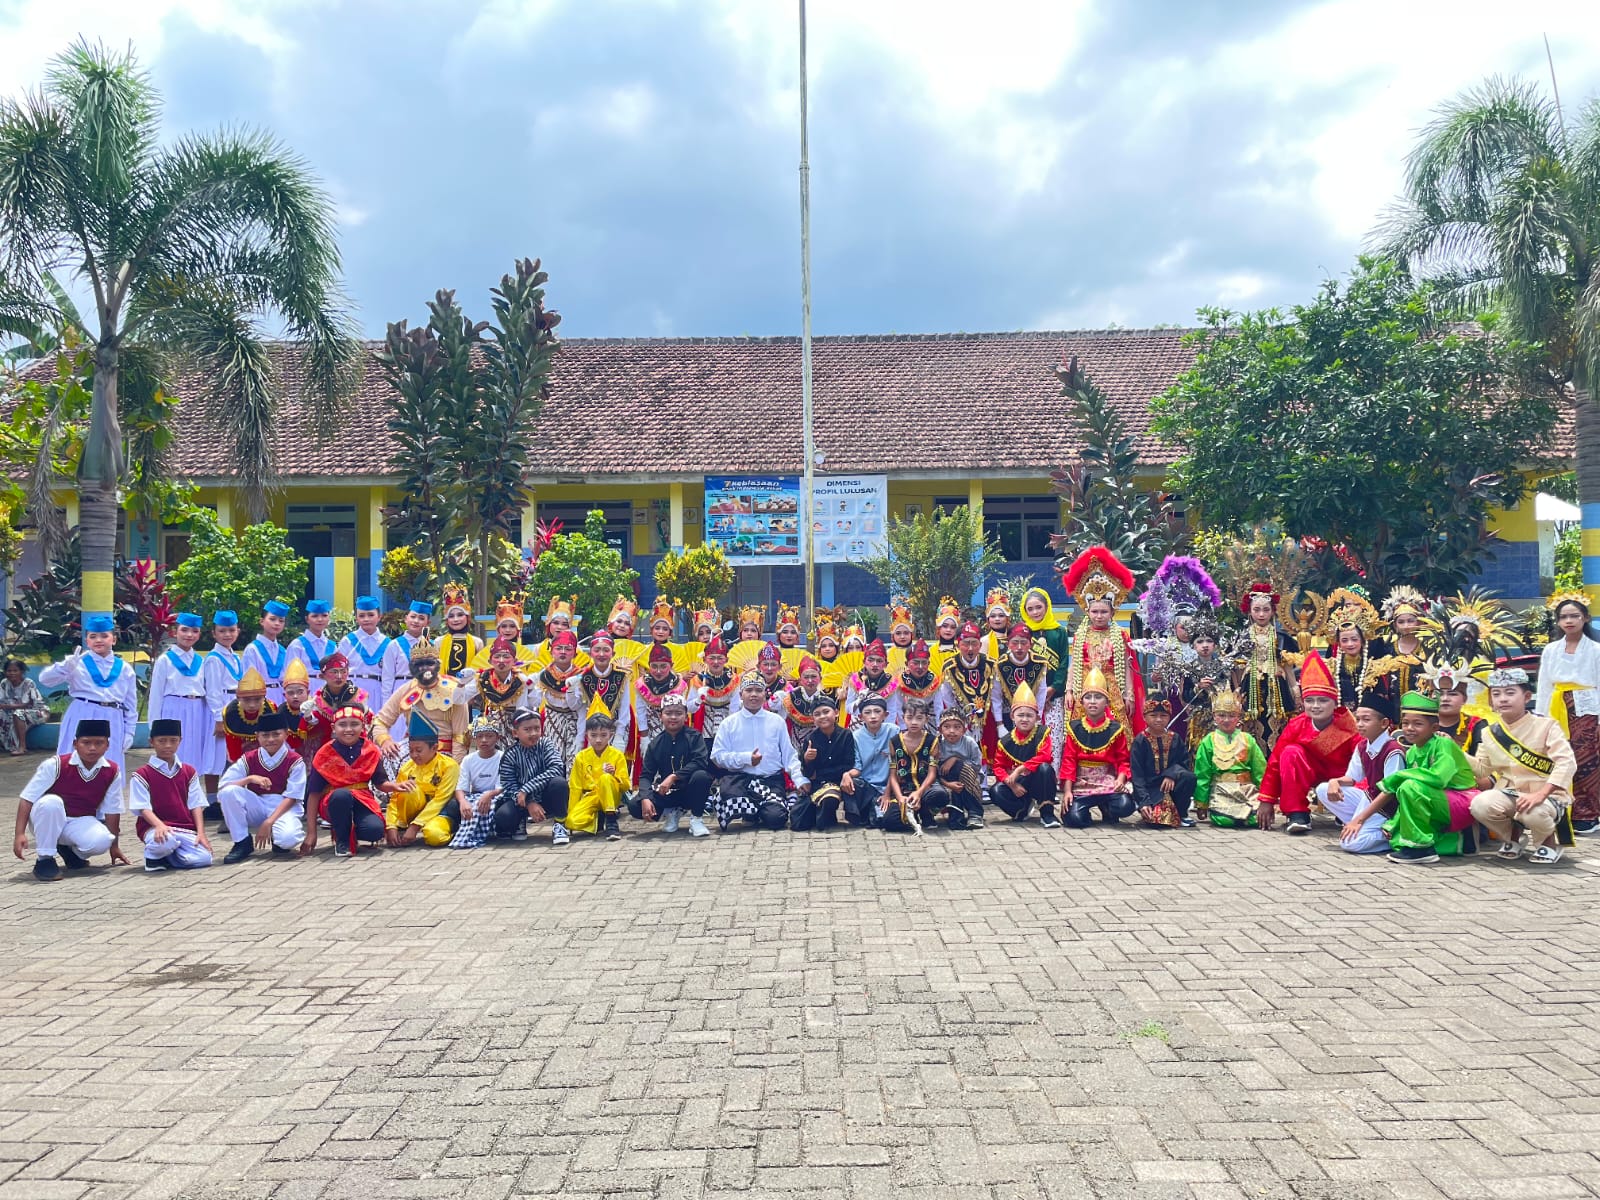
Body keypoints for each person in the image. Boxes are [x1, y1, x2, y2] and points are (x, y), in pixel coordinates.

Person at [1471, 667, 1576, 863]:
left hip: (1547, 795)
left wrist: (1541, 794)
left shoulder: (1547, 726)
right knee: (1480, 804)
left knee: (1532, 811)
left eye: (1510, 693)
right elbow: (1482, 769)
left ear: (1527, 697)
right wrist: (1453, 750)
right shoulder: (1489, 733)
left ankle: (1548, 843)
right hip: (1510, 793)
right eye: (1496, 694)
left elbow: (1566, 762)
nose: (1503, 699)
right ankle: (1513, 838)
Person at [1369, 692, 1480, 864]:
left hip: (1463, 800)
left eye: (1418, 724)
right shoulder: (1412, 752)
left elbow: (1439, 778)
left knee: (1409, 786)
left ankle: (1422, 850)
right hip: (1438, 800)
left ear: (1434, 728)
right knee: (1397, 841)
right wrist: (1393, 823)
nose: (1409, 728)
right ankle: (1460, 841)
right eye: (1405, 723)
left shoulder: (1443, 744)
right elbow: (1409, 797)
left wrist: (1398, 776)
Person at [13, 718, 128, 880]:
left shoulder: (112, 770)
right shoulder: (56, 764)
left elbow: (112, 810)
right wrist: (19, 834)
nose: (92, 748)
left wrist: (114, 846)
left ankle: (71, 854)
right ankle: (45, 859)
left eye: (99, 743)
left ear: (107, 745)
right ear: (75, 744)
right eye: (86, 742)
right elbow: (27, 798)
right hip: (46, 819)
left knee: (103, 840)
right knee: (51, 802)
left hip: (79, 820)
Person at [1257, 653, 1358, 834]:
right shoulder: (1296, 725)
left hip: (1342, 780)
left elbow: (1364, 765)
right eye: (1310, 701)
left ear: (1335, 703)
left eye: (1323, 700)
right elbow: (1275, 763)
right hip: (1309, 773)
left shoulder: (1349, 725)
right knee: (1290, 752)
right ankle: (1297, 813)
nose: (1316, 706)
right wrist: (1267, 800)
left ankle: (1345, 809)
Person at [39, 615, 137, 780]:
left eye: (104, 636)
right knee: (76, 762)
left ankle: (106, 797)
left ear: (114, 639)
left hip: (113, 717)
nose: (98, 640)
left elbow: (131, 704)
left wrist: (130, 732)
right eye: (93, 636)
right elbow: (45, 680)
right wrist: (64, 667)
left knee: (108, 765)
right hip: (82, 713)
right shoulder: (77, 663)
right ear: (87, 640)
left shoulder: (125, 669)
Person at [1535, 593, 1600, 835]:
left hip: (1587, 709)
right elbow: (1544, 684)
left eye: (1574, 616)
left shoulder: (1595, 650)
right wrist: (1540, 716)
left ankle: (1588, 814)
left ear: (1585, 618)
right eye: (1564, 617)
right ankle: (1561, 807)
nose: (1569, 621)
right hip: (1557, 706)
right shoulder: (1551, 649)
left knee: (1587, 762)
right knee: (1559, 757)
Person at [1062, 546, 1146, 735]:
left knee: (1117, 732)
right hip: (1084, 689)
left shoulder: (1120, 635)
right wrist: (1069, 691)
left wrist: (1129, 695)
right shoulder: (1081, 634)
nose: (1099, 616)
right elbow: (1073, 664)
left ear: (1112, 612)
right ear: (1088, 611)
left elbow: (1127, 666)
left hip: (1113, 689)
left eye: (1103, 612)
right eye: (1095, 611)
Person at [1314, 694, 1407, 855]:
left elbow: (1389, 792)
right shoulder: (1363, 746)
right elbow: (1352, 779)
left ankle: (1393, 833)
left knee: (1350, 844)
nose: (1360, 724)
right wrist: (1335, 781)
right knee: (1323, 788)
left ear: (1384, 723)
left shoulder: (1393, 751)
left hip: (1388, 808)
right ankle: (1360, 827)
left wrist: (1359, 819)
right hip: (1369, 797)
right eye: (1358, 719)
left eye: (1366, 720)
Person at [709, 674, 803, 832]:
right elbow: (717, 756)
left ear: (765, 694)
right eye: (749, 690)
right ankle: (752, 812)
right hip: (740, 781)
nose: (754, 694)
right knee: (736, 806)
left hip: (770, 781)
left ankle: (761, 810)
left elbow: (789, 756)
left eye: (758, 690)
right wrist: (746, 758)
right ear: (741, 695)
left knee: (776, 819)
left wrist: (800, 780)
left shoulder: (776, 721)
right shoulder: (729, 723)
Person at [217, 710, 306, 864]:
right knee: (228, 792)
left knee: (288, 839)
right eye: (265, 735)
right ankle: (242, 841)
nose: (270, 739)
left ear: (286, 734)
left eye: (276, 734)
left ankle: (277, 839)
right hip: (256, 804)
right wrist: (249, 779)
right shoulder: (249, 758)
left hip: (283, 805)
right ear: (257, 736)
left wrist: (269, 822)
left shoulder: (295, 760)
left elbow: (292, 797)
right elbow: (224, 785)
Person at [302, 707, 388, 857]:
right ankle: (343, 841)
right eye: (342, 725)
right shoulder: (324, 754)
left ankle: (350, 829)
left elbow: (380, 783)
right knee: (342, 795)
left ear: (363, 726)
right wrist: (311, 833)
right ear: (333, 727)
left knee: (374, 831)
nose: (348, 729)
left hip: (362, 799)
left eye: (354, 724)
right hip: (333, 802)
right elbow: (314, 794)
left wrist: (397, 786)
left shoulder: (371, 750)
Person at [130, 718, 212, 871]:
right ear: (151, 742)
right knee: (166, 840)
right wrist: (159, 825)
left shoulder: (189, 771)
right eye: (161, 741)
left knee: (205, 858)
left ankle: (168, 857)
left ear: (180, 741)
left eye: (173, 740)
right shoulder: (142, 774)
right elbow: (143, 808)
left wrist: (201, 833)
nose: (168, 745)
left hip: (184, 828)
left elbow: (196, 805)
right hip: (154, 828)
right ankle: (152, 857)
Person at [1059, 666, 1134, 829]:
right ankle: (1085, 812)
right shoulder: (1075, 728)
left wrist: (1120, 780)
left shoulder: (1115, 729)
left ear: (1107, 702)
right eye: (1088, 697)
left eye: (1098, 697)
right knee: (1073, 819)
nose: (1093, 701)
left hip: (1107, 782)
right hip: (1081, 783)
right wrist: (1067, 791)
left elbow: (1123, 760)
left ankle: (1107, 807)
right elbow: (1069, 761)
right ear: (1082, 702)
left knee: (1126, 806)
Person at [372, 640, 471, 761]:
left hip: (444, 754)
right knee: (387, 759)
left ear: (438, 664)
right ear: (411, 667)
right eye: (418, 664)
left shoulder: (454, 690)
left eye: (429, 664)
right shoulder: (406, 690)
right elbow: (380, 721)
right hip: (412, 752)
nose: (424, 668)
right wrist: (385, 741)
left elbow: (460, 736)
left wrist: (455, 766)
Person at [629, 692, 712, 836]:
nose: (673, 717)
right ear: (661, 716)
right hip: (667, 793)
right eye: (668, 713)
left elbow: (700, 762)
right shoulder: (655, 744)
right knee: (634, 805)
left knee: (702, 776)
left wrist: (674, 776)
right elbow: (646, 776)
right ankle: (672, 812)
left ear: (685, 716)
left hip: (690, 791)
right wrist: (645, 797)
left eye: (678, 713)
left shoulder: (695, 737)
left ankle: (696, 819)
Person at [1192, 687, 1267, 828]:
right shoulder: (1208, 741)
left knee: (1256, 818)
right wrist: (1201, 804)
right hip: (1221, 790)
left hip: (1246, 790)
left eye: (1232, 715)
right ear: (1214, 716)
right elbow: (1202, 774)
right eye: (1221, 715)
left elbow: (1260, 770)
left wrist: (1266, 798)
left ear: (1239, 717)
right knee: (1224, 820)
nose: (1226, 720)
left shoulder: (1248, 739)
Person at [145, 611, 210, 773]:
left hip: (197, 709)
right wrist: (154, 725)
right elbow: (156, 694)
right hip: (173, 708)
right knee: (172, 751)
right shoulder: (165, 660)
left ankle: (191, 784)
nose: (189, 635)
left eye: (194, 631)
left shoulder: (201, 661)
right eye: (184, 630)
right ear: (175, 632)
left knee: (194, 751)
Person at [385, 710, 462, 848]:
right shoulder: (407, 768)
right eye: (411, 750)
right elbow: (395, 800)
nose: (414, 755)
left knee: (434, 836)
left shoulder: (449, 766)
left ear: (435, 748)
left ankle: (453, 830)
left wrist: (415, 827)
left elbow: (440, 800)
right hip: (414, 815)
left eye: (419, 750)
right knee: (408, 789)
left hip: (441, 812)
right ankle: (403, 827)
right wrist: (391, 826)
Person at [1236, 583, 1298, 745]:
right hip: (1250, 686)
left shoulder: (1282, 638)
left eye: (1266, 610)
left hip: (1277, 687)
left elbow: (1288, 668)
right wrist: (1236, 691)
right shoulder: (1242, 638)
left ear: (1272, 611)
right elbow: (1236, 669)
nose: (1261, 614)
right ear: (1249, 611)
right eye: (1256, 610)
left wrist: (1295, 690)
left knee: (1279, 729)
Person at [498, 707, 570, 845]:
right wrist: (529, 802)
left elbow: (557, 768)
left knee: (559, 783)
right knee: (503, 818)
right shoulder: (510, 755)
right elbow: (509, 786)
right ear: (515, 733)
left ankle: (560, 824)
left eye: (537, 728)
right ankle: (520, 822)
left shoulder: (546, 744)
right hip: (522, 802)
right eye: (527, 729)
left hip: (546, 797)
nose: (533, 733)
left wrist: (527, 789)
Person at [789, 694, 858, 831]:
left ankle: (826, 813)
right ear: (813, 718)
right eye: (817, 714)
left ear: (836, 713)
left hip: (839, 782)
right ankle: (820, 811)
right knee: (798, 823)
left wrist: (820, 774)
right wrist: (807, 760)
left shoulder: (846, 735)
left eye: (826, 712)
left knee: (829, 798)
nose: (822, 716)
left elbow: (848, 765)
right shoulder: (810, 739)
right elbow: (808, 773)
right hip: (817, 785)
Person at [989, 680, 1056, 823]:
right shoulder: (1005, 741)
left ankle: (1047, 813)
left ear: (1037, 717)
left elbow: (1044, 756)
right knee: (995, 791)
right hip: (1019, 783)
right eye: (1020, 715)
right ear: (1012, 716)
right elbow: (998, 767)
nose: (1025, 719)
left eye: (1029, 716)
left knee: (1045, 768)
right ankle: (1022, 809)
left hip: (1038, 780)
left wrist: (1020, 769)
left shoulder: (1042, 733)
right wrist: (1011, 784)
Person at [1131, 698, 1195, 828]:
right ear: (1144, 717)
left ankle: (1182, 813)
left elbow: (1184, 763)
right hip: (1150, 789)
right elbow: (1137, 775)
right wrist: (1144, 802)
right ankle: (1147, 807)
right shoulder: (1140, 741)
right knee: (1157, 821)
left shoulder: (1175, 738)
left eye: (1163, 716)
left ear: (1169, 717)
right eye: (1153, 715)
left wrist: (1171, 774)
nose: (1159, 719)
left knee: (1189, 777)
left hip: (1171, 787)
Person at [574, 631, 636, 767]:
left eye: (606, 650)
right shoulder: (583, 676)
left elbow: (624, 707)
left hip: (615, 728)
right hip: (591, 731)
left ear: (613, 653)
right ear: (590, 653)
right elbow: (581, 710)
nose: (601, 654)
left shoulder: (621, 675)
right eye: (597, 650)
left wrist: (619, 735)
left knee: (613, 767)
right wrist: (581, 736)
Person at [201, 610, 246, 796]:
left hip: (237, 706)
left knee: (233, 754)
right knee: (216, 756)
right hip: (221, 708)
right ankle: (212, 800)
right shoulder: (213, 659)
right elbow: (213, 691)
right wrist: (219, 719)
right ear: (214, 633)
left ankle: (230, 795)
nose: (227, 634)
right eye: (222, 631)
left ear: (238, 631)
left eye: (231, 630)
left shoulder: (235, 657)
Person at [1020, 587, 1069, 752]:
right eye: (1030, 609)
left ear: (1047, 606)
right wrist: (1034, 692)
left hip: (1054, 695)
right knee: (1030, 738)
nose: (1035, 612)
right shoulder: (1023, 632)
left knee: (1054, 737)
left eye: (1039, 607)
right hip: (1029, 695)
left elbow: (1063, 662)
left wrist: (1054, 688)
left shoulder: (1059, 632)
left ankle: (1053, 769)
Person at [528, 630, 583, 773]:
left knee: (574, 760)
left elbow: (577, 705)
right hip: (552, 719)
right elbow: (535, 702)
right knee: (553, 758)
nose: (563, 652)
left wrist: (571, 689)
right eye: (559, 648)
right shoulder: (543, 675)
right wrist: (529, 689)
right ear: (552, 651)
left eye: (568, 648)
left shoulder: (581, 676)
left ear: (575, 653)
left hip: (575, 720)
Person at [448, 718, 506, 849]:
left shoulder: (503, 757)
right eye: (480, 736)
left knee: (504, 814)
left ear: (497, 738)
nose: (484, 740)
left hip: (496, 796)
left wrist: (489, 795)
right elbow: (461, 787)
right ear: (475, 738)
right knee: (453, 806)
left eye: (489, 736)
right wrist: (463, 802)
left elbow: (501, 787)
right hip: (475, 796)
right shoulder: (468, 760)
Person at [341, 596, 407, 711]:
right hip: (353, 688)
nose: (366, 619)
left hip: (378, 689)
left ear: (379, 617)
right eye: (362, 616)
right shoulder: (347, 641)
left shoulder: (388, 643)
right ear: (356, 618)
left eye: (371, 615)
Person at [301, 651, 370, 759]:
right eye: (334, 672)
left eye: (343, 671)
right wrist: (308, 716)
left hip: (356, 746)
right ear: (322, 676)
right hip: (328, 747)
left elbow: (367, 723)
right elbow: (317, 726)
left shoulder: (358, 696)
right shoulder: (319, 698)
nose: (339, 676)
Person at [569, 712, 627, 840]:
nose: (598, 740)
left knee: (605, 778)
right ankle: (598, 818)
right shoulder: (581, 757)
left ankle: (611, 820)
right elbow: (575, 787)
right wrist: (572, 810)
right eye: (593, 735)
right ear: (587, 735)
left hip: (611, 795)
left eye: (603, 735)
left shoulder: (617, 755)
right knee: (572, 821)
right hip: (592, 796)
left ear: (611, 735)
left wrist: (614, 775)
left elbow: (626, 786)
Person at [882, 698, 936, 833]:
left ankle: (926, 812)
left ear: (926, 719)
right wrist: (899, 797)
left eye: (919, 718)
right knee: (889, 821)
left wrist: (919, 793)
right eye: (910, 717)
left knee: (940, 795)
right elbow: (893, 774)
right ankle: (912, 815)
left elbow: (932, 773)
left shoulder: (932, 741)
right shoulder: (895, 741)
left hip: (925, 788)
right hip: (904, 789)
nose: (914, 722)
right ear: (903, 718)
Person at [940, 623, 994, 755]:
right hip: (961, 718)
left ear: (980, 645)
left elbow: (996, 694)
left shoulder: (991, 664)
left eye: (974, 644)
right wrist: (960, 721)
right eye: (965, 644)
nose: (970, 648)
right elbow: (947, 697)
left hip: (987, 717)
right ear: (958, 644)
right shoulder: (950, 667)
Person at [1180, 616, 1231, 751]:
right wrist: (1198, 688)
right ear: (1193, 645)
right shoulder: (1189, 669)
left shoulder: (1224, 666)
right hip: (1199, 718)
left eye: (1209, 641)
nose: (1205, 645)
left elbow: (1232, 690)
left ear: (1215, 645)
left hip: (1222, 718)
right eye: (1200, 641)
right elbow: (1185, 696)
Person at [637, 643, 699, 752]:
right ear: (649, 665)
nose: (658, 671)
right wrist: (644, 738)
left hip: (676, 733)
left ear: (671, 665)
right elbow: (640, 712)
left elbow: (683, 711)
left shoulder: (679, 684)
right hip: (650, 734)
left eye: (663, 666)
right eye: (654, 666)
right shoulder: (642, 684)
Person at [929, 708, 985, 830]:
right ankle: (956, 814)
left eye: (957, 727)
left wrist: (955, 759)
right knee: (955, 822)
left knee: (959, 766)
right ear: (940, 729)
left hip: (969, 779)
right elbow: (933, 770)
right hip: (945, 781)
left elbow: (976, 765)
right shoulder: (937, 744)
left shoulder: (969, 743)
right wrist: (948, 784)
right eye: (947, 727)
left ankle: (975, 813)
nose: (952, 731)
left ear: (964, 730)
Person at [994, 623, 1049, 741]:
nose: (1019, 647)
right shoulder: (1000, 665)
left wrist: (1037, 719)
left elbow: (1041, 693)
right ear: (1008, 644)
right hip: (1007, 714)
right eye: (1015, 643)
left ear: (1031, 644)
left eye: (1024, 643)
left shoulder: (1040, 663)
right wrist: (999, 724)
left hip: (1031, 715)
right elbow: (996, 696)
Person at [471, 635, 531, 739]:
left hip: (512, 726)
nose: (501, 660)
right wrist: (461, 684)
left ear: (515, 660)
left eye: (506, 656)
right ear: (490, 661)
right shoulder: (483, 678)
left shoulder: (520, 680)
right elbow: (459, 699)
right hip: (490, 726)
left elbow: (522, 708)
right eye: (497, 656)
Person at [850, 696, 895, 827]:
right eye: (867, 712)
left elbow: (896, 767)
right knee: (852, 783)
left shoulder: (894, 731)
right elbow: (857, 767)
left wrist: (887, 793)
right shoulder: (855, 737)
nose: (873, 716)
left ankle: (874, 812)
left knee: (889, 819)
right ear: (860, 717)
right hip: (866, 787)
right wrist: (847, 775)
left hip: (889, 785)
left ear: (885, 715)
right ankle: (863, 814)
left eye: (877, 711)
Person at [1380, 586, 1429, 698]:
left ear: (1419, 622)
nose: (1406, 626)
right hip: (1391, 705)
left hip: (1420, 704)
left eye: (1410, 621)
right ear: (1395, 625)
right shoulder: (1387, 649)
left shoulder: (1428, 649)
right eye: (1401, 622)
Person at [222, 667, 280, 763]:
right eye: (247, 700)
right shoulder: (231, 713)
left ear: (264, 697)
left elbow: (274, 740)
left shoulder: (271, 709)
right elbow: (233, 748)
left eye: (257, 699)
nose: (252, 705)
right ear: (238, 698)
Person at [242, 600, 292, 706]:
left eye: (281, 621)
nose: (277, 623)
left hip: (282, 697)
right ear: (262, 621)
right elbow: (250, 680)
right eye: (272, 619)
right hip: (260, 698)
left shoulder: (283, 651)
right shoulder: (252, 649)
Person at [693, 635, 739, 749]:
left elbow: (734, 708)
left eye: (720, 658)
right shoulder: (698, 679)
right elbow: (689, 708)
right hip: (705, 724)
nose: (716, 662)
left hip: (728, 723)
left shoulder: (734, 679)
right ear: (704, 659)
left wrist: (731, 729)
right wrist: (698, 700)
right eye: (712, 658)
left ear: (726, 660)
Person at [778, 654, 833, 744]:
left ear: (820, 678)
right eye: (806, 677)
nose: (810, 680)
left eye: (813, 676)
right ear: (800, 679)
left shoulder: (826, 700)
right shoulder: (790, 698)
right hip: (793, 743)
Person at [0, 659, 49, 756]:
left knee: (18, 713)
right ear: (5, 672)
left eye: (15, 670)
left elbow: (27, 704)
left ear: (21, 671)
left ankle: (22, 747)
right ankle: (6, 745)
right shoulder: (4, 683)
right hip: (12, 711)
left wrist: (6, 706)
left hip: (38, 712)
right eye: (9, 671)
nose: (12, 673)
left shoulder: (28, 683)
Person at [286, 599, 335, 694]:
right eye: (315, 616)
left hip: (329, 691)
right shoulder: (297, 645)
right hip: (305, 691)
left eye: (324, 615)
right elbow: (290, 675)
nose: (320, 619)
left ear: (329, 618)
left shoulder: (332, 646)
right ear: (307, 619)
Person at [847, 639, 901, 727]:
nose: (875, 664)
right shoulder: (855, 679)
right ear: (864, 662)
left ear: (886, 664)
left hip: (882, 726)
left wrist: (886, 731)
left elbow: (892, 711)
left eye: (879, 661)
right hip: (859, 726)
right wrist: (859, 701)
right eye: (870, 660)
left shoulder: (891, 683)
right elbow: (848, 708)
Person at [435, 583, 483, 678]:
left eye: (460, 615)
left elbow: (480, 669)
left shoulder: (477, 642)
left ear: (467, 617)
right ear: (447, 619)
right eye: (451, 616)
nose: (456, 619)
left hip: (469, 685)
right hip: (445, 685)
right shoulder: (439, 642)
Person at [894, 640, 946, 726]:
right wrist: (903, 728)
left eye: (924, 663)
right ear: (906, 663)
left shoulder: (935, 681)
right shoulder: (900, 682)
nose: (920, 667)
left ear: (929, 663)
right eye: (916, 663)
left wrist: (939, 727)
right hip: (908, 720)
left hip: (930, 721)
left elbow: (938, 708)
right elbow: (899, 708)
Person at [281, 657, 313, 754]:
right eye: (290, 693)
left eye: (300, 692)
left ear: (308, 692)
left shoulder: (316, 709)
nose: (295, 696)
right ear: (284, 695)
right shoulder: (281, 711)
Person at [984, 589, 1013, 660]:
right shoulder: (985, 641)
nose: (997, 619)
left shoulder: (1015, 639)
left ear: (1007, 618)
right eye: (993, 616)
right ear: (988, 619)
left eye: (1001, 615)